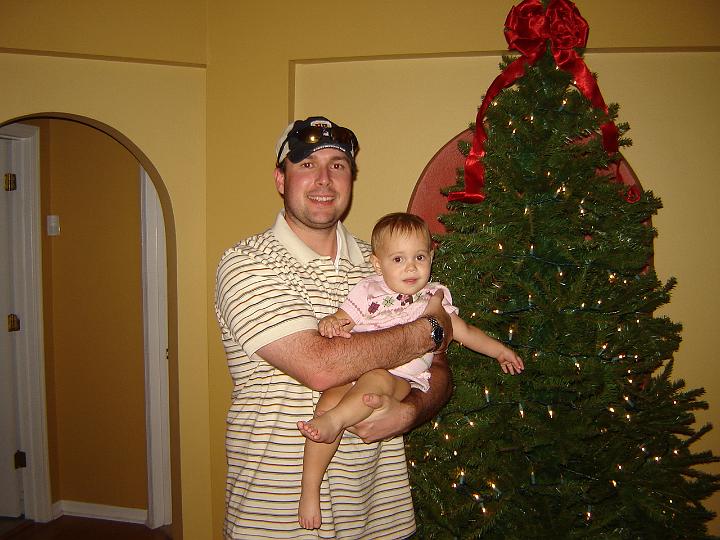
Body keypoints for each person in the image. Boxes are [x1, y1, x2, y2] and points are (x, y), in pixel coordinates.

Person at [214, 116, 455, 539]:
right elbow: (321, 367)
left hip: (378, 514)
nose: (324, 179)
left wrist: (410, 411)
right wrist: (429, 329)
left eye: (338, 165)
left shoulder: (385, 261)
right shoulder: (248, 264)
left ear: (351, 179)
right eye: (307, 164)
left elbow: (438, 369)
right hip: (277, 517)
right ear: (280, 179)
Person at [296, 212, 524, 529]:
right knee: (327, 401)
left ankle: (335, 422)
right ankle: (309, 490)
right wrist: (331, 323)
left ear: (431, 256)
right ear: (378, 265)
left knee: (373, 381)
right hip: (354, 372)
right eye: (398, 259)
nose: (411, 267)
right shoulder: (367, 291)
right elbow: (343, 318)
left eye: (419, 257)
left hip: (400, 378)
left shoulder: (433, 297)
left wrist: (500, 350)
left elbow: (465, 331)